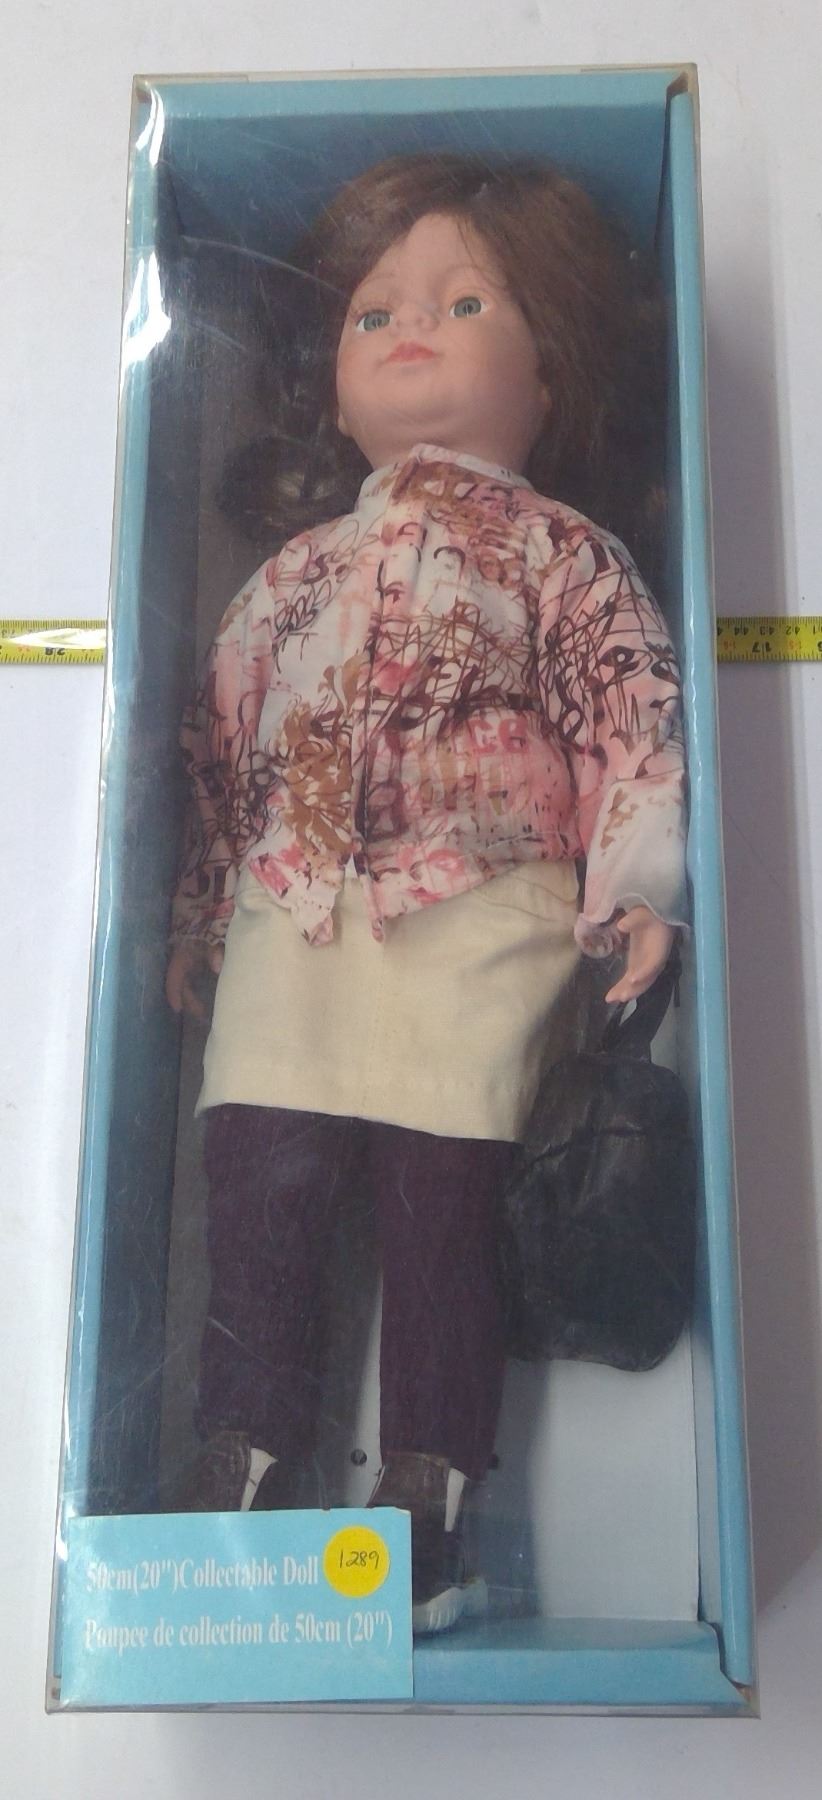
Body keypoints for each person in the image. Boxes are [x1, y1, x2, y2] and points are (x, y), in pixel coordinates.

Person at [165, 153, 689, 1635]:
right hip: (294, 912)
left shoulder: (563, 555)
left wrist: (637, 887)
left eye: (465, 304)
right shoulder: (286, 579)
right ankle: (238, 1473)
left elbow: (630, 722)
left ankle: (428, 1506)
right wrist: (199, 915)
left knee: (440, 1209)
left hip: (478, 918)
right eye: (374, 311)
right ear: (331, 395)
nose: (411, 329)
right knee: (260, 1191)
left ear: (547, 374)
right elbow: (220, 752)